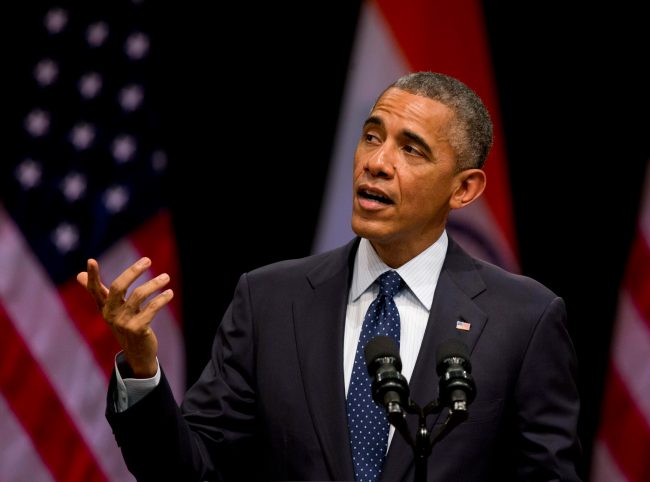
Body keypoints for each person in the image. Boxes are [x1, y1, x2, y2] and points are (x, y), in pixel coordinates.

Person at [78, 71, 582, 481]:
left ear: (464, 188)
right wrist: (141, 367)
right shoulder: (270, 300)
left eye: (411, 149)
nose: (376, 163)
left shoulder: (524, 320)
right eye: (372, 136)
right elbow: (189, 471)